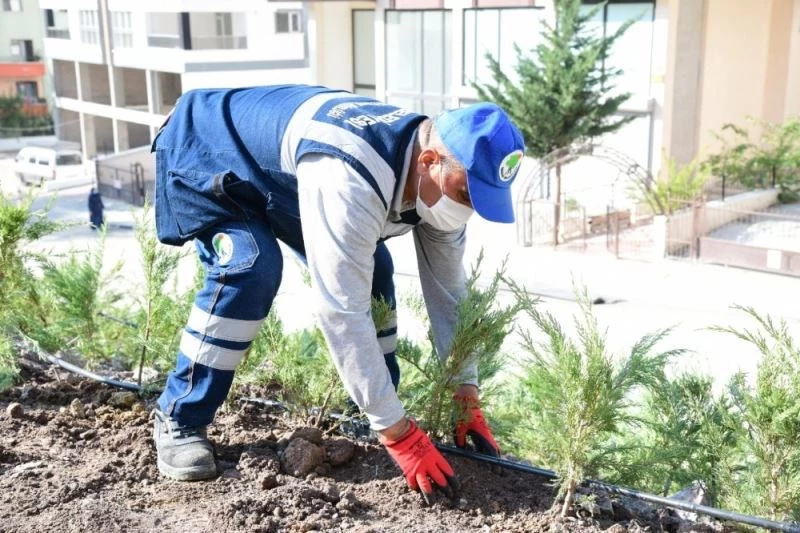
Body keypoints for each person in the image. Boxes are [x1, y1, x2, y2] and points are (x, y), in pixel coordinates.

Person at [150, 85, 525, 501]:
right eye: (465, 194)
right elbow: (339, 311)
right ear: (429, 161)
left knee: (374, 270)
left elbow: (450, 294)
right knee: (251, 267)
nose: (468, 209)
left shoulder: (439, 175)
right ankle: (180, 415)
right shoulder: (349, 176)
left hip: (286, 169)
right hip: (210, 145)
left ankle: (359, 413)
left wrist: (464, 391)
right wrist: (398, 433)